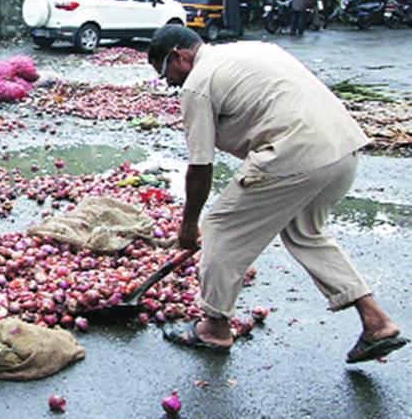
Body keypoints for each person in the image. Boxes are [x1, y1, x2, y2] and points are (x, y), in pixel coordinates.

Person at [147, 25, 407, 363]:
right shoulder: (249, 49)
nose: (169, 84)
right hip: (344, 148)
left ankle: (213, 327)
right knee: (305, 233)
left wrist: (189, 225)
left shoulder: (197, 85)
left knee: (222, 229)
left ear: (178, 56)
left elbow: (200, 166)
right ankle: (376, 321)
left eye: (165, 74)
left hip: (295, 153)